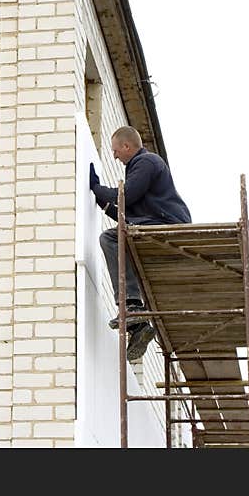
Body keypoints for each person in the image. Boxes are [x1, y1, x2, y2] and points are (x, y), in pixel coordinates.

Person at [89, 126, 191, 361]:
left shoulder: (146, 162)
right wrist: (104, 204)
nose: (114, 156)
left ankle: (133, 306)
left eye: (115, 151)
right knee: (120, 238)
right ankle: (139, 326)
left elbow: (126, 196)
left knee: (109, 237)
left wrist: (96, 188)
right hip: (153, 221)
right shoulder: (139, 168)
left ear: (127, 146)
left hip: (167, 224)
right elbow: (126, 215)